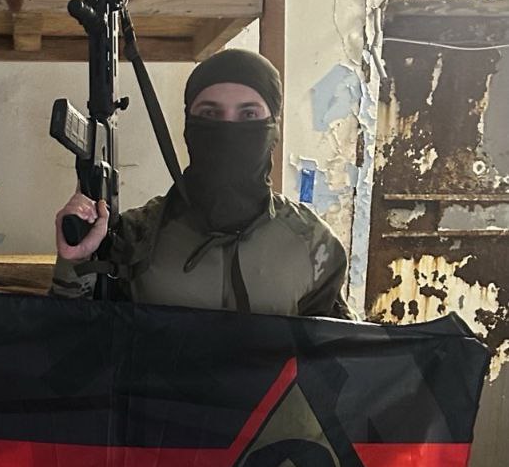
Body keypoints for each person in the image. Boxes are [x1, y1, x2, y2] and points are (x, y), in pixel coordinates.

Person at [51, 48, 351, 318]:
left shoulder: (313, 245)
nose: (228, 128)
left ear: (274, 127)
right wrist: (76, 261)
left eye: (249, 114)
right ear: (188, 125)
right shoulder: (135, 235)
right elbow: (73, 339)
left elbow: (340, 353)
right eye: (210, 113)